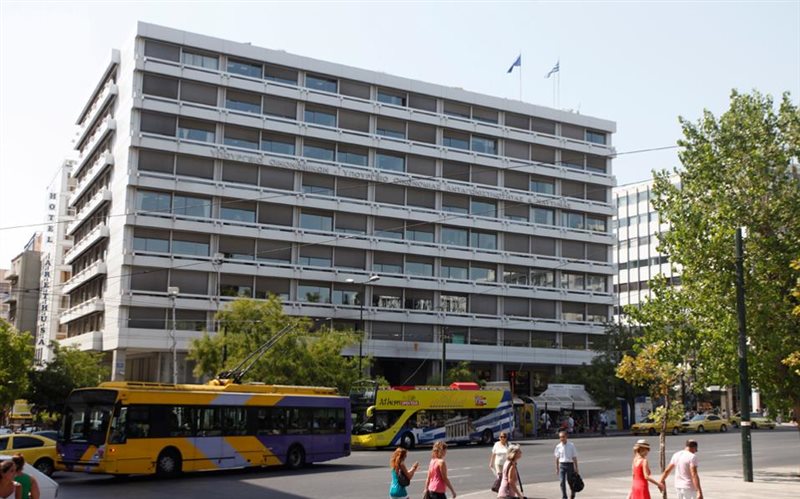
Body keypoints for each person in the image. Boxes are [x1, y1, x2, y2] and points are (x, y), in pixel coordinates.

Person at [554, 430, 579, 499]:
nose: (561, 438)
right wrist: (557, 468)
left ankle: (573, 492)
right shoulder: (558, 446)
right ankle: (564, 496)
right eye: (560, 437)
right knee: (562, 482)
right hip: (562, 465)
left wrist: (576, 468)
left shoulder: (571, 445)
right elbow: (557, 458)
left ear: (566, 437)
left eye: (563, 437)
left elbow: (574, 457)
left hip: (570, 465)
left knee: (570, 481)